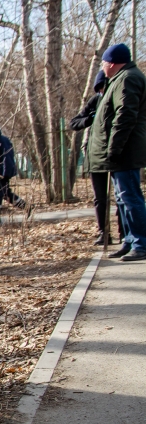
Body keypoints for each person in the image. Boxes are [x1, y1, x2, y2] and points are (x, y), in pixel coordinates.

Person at [87, 43, 146, 261]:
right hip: (121, 152)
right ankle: (130, 240)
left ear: (112, 63)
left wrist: (114, 147)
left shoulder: (128, 78)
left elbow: (125, 115)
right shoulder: (119, 79)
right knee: (123, 198)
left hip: (125, 151)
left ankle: (141, 242)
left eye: (104, 62)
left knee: (130, 197)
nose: (102, 66)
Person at [69, 70, 124, 246]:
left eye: (104, 87)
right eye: (99, 88)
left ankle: (124, 232)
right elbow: (74, 122)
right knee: (100, 197)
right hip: (96, 156)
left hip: (116, 154)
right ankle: (104, 232)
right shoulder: (95, 101)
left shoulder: (117, 98)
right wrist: (89, 120)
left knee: (121, 196)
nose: (102, 91)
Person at [0, 123, 30, 223]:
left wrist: (6, 173)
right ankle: (26, 207)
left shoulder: (3, 141)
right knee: (5, 194)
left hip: (1, 173)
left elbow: (8, 157)